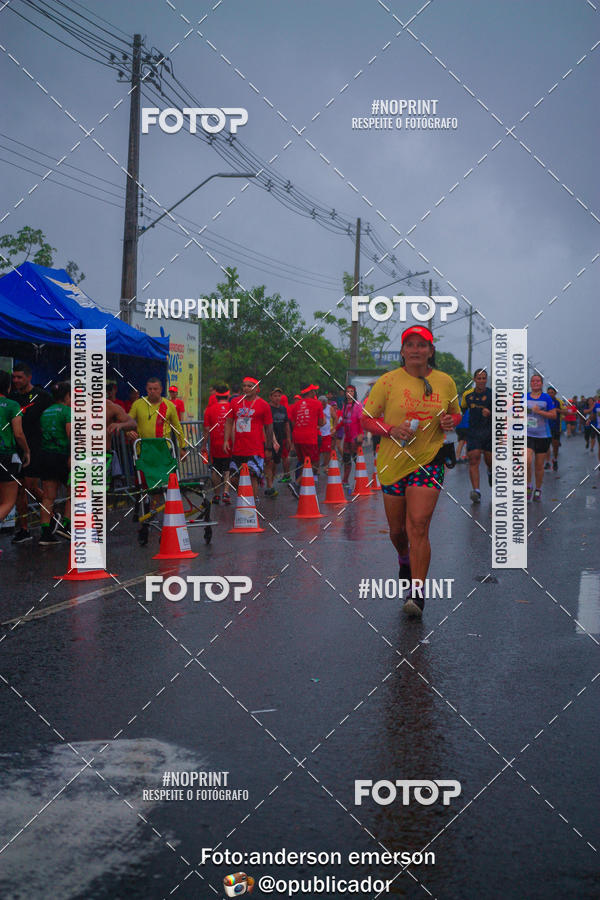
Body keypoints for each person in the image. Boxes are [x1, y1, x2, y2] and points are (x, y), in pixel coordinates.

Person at [361, 325, 461, 617]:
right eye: (411, 345)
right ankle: (404, 558)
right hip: (392, 463)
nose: (416, 350)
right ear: (403, 351)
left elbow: (455, 413)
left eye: (422, 345)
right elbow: (366, 419)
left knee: (418, 525)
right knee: (397, 532)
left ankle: (417, 594)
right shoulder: (388, 381)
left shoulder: (445, 381)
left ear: (431, 351)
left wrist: (449, 421)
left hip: (429, 460)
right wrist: (391, 429)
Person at [9, 362, 52, 543]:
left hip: (35, 447)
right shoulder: (12, 397)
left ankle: (51, 515)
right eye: (14, 377)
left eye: (20, 377)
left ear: (29, 377)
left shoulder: (42, 396)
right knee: (19, 489)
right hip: (16, 447)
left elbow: (52, 417)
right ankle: (24, 529)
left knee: (30, 486)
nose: (16, 380)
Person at [224, 376, 274, 496]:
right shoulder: (235, 402)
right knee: (234, 478)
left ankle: (252, 502)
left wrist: (269, 447)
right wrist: (226, 440)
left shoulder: (263, 405)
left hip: (255, 448)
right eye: (244, 386)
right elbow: (229, 421)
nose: (246, 388)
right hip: (238, 448)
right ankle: (245, 498)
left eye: (250, 386)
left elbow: (269, 427)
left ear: (257, 389)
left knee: (252, 476)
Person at [38, 382, 72, 545]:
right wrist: (72, 456)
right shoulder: (68, 411)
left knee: (48, 496)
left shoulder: (45, 412)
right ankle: (66, 526)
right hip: (63, 456)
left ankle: (45, 534)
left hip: (46, 456)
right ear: (67, 396)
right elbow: (71, 434)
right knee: (74, 491)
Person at [0, 371, 30, 526]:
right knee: (8, 502)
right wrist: (27, 451)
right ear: (8, 387)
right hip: (5, 456)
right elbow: (18, 433)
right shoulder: (12, 405)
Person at [129, 378, 185, 452]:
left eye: (155, 389)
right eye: (150, 389)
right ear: (146, 389)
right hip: (143, 449)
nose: (152, 391)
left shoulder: (169, 405)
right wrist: (128, 432)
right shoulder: (137, 404)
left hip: (163, 449)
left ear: (161, 389)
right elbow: (127, 421)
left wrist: (183, 447)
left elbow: (177, 427)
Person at [526, 374, 556, 502]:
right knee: (526, 460)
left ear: (541, 383)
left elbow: (553, 415)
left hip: (542, 435)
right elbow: (516, 412)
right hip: (527, 434)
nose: (535, 383)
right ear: (530, 383)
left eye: (538, 381)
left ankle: (538, 489)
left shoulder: (546, 398)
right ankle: (528, 486)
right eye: (533, 381)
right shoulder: (524, 397)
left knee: (539, 465)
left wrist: (539, 412)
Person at [464, 368, 492, 503]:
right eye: (479, 378)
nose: (481, 381)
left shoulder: (493, 395)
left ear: (486, 380)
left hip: (489, 432)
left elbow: (503, 413)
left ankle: (491, 471)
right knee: (473, 459)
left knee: (490, 460)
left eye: (484, 378)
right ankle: (476, 491)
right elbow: (460, 411)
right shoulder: (467, 396)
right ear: (474, 379)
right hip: (474, 432)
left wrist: (491, 413)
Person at [201, 384, 233, 504]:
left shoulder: (209, 410)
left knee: (215, 469)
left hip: (215, 444)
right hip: (229, 444)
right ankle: (226, 492)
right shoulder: (232, 408)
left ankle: (216, 495)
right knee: (227, 469)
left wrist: (204, 445)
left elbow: (206, 429)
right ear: (228, 395)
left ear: (216, 396)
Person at [288, 385, 325, 489]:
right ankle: (296, 483)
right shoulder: (317, 403)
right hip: (310, 437)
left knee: (302, 461)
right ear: (311, 392)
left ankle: (301, 485)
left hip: (297, 437)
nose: (315, 393)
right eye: (314, 391)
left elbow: (293, 423)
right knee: (313, 462)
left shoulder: (295, 405)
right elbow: (321, 422)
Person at [265, 388, 292, 496]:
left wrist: (288, 438)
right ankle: (269, 485)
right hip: (269, 439)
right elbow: (266, 425)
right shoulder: (267, 408)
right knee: (269, 462)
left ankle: (271, 484)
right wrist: (271, 440)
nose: (277, 398)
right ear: (270, 397)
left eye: (279, 396)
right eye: (275, 396)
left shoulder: (283, 409)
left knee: (276, 463)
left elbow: (286, 424)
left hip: (281, 438)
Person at [341, 385, 364, 486]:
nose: (349, 393)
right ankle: (345, 480)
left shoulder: (358, 405)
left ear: (354, 393)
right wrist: (335, 429)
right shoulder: (345, 405)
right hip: (347, 438)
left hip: (355, 437)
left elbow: (361, 420)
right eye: (348, 391)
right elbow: (343, 421)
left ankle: (361, 480)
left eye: (351, 391)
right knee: (346, 459)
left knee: (357, 459)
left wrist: (361, 434)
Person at [545, 386, 563, 471]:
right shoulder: (544, 401)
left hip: (555, 426)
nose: (550, 394)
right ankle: (547, 462)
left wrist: (557, 410)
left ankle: (555, 460)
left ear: (555, 393)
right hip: (545, 426)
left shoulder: (558, 402)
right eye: (548, 392)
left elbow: (566, 412)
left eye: (552, 392)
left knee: (555, 445)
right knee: (546, 446)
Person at [318, 394, 335, 473]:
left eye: (324, 404)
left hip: (327, 433)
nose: (323, 406)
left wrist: (334, 428)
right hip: (318, 433)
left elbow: (335, 418)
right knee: (318, 451)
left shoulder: (329, 408)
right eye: (322, 404)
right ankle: (317, 468)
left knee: (327, 451)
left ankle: (326, 466)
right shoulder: (317, 407)